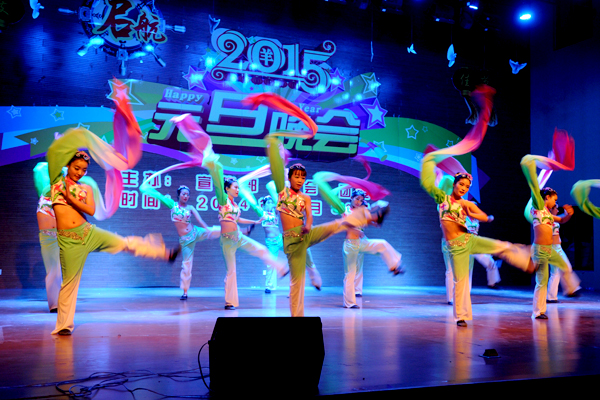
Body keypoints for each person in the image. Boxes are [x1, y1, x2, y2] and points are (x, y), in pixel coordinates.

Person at [421, 85, 533, 327]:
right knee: (461, 280)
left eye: (466, 186)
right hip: (455, 246)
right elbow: (428, 182)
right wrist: (430, 160)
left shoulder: (465, 203)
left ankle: (526, 258)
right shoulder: (442, 199)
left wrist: (484, 217)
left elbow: (480, 215)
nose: (463, 188)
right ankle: (461, 316)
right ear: (453, 184)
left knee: (501, 246)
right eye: (460, 185)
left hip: (469, 240)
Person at [140, 178, 254, 300]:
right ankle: (185, 292)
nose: (186, 196)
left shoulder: (190, 208)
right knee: (187, 265)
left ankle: (243, 231)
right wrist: (145, 188)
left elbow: (200, 220)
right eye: (183, 194)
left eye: (187, 194)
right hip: (185, 240)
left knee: (216, 230)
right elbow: (158, 196)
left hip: (195, 232)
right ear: (178, 195)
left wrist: (207, 229)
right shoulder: (172, 205)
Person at [203, 155, 289, 310]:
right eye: (235, 187)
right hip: (228, 241)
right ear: (227, 189)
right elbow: (218, 185)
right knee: (231, 271)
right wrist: (214, 167)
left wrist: (253, 222)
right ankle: (229, 302)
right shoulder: (223, 201)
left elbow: (237, 220)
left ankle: (281, 268)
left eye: (238, 187)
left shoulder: (235, 205)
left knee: (261, 250)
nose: (237, 190)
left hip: (239, 236)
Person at [342, 189, 404, 309]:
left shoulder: (361, 210)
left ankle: (394, 266)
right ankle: (349, 303)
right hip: (351, 244)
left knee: (382, 244)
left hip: (362, 241)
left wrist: (379, 206)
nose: (359, 201)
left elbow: (370, 216)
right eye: (357, 199)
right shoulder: (346, 209)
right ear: (351, 198)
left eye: (361, 200)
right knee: (350, 273)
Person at [33, 162, 60, 313]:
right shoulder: (45, 192)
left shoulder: (67, 194)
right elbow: (38, 168)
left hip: (64, 235)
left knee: (62, 271)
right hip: (48, 237)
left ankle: (62, 301)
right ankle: (54, 304)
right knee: (53, 270)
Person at [546, 204, 580, 303]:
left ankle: (553, 296)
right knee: (562, 269)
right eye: (556, 208)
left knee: (557, 272)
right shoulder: (546, 219)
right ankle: (570, 290)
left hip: (558, 248)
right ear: (550, 209)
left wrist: (566, 214)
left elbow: (561, 219)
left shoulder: (553, 218)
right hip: (553, 248)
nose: (557, 210)